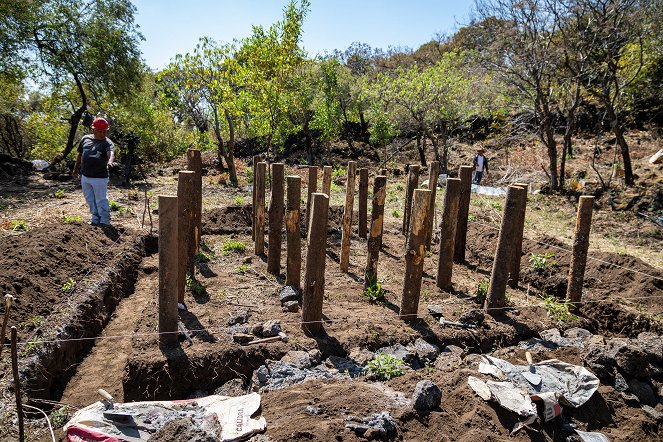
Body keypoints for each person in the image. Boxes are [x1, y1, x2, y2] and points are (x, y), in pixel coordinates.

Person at [73, 117, 115, 226]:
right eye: (100, 131)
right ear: (93, 130)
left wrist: (110, 161)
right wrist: (76, 169)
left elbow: (110, 152)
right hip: (85, 176)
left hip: (100, 177)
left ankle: (105, 220)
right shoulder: (85, 139)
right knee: (90, 199)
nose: (102, 134)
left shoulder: (107, 143)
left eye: (104, 132)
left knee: (101, 199)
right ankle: (95, 219)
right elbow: (80, 155)